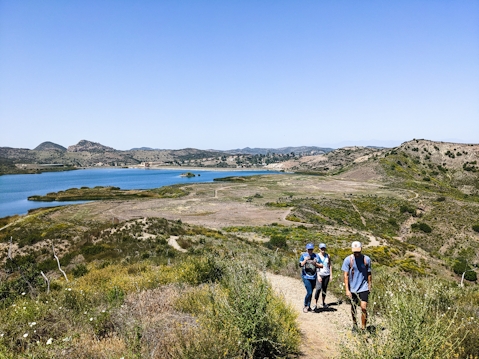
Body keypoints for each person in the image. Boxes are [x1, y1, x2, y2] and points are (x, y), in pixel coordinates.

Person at [341, 241, 372, 331]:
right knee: (353, 307)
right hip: (353, 288)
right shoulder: (348, 260)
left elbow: (369, 273)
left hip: (364, 287)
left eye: (358, 251)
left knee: (363, 307)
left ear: (361, 249)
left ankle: (363, 327)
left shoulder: (367, 259)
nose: (356, 253)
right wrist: (347, 289)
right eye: (355, 252)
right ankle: (354, 324)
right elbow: (345, 275)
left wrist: (369, 285)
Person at [299, 243, 323, 313]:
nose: (310, 251)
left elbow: (321, 265)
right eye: (309, 249)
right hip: (306, 276)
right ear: (306, 249)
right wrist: (305, 260)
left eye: (311, 249)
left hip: (313, 276)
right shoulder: (303, 256)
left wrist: (316, 264)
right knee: (309, 292)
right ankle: (305, 305)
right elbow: (300, 265)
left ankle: (308, 306)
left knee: (311, 292)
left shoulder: (316, 256)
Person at [313, 243, 332, 309]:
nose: (323, 250)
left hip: (327, 274)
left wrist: (331, 275)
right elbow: (315, 266)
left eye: (324, 248)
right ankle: (315, 303)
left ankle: (323, 302)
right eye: (321, 248)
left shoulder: (328, 256)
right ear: (319, 249)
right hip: (320, 274)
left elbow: (330, 265)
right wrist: (318, 275)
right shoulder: (317, 256)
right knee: (318, 289)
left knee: (324, 289)